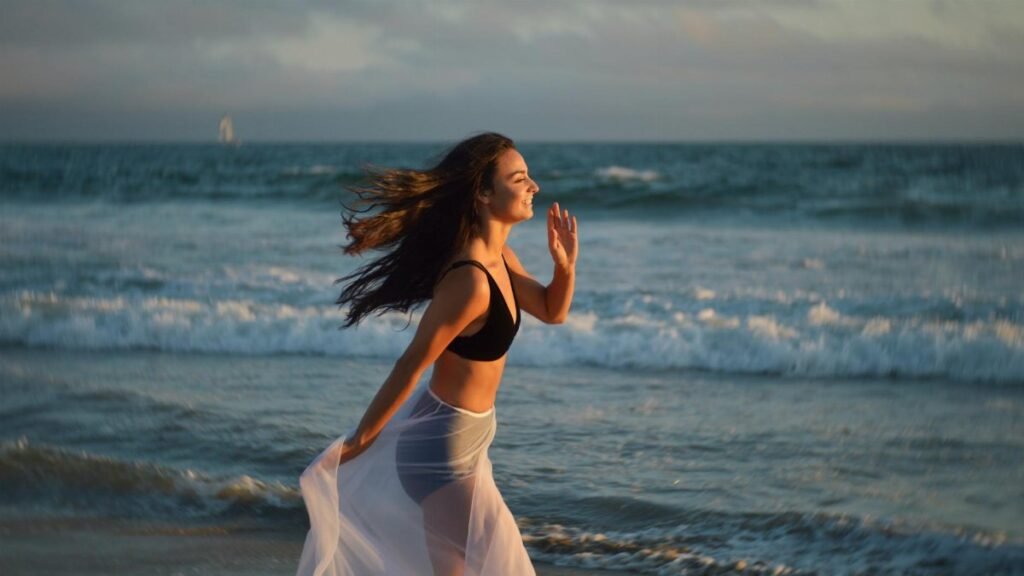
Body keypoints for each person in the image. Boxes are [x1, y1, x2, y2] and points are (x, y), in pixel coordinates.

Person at [296, 132, 578, 576]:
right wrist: (357, 444)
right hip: (439, 452)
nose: (534, 187)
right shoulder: (470, 281)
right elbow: (410, 365)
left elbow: (550, 309)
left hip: (469, 444)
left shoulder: (500, 256)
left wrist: (565, 268)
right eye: (519, 178)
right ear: (484, 193)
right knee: (502, 565)